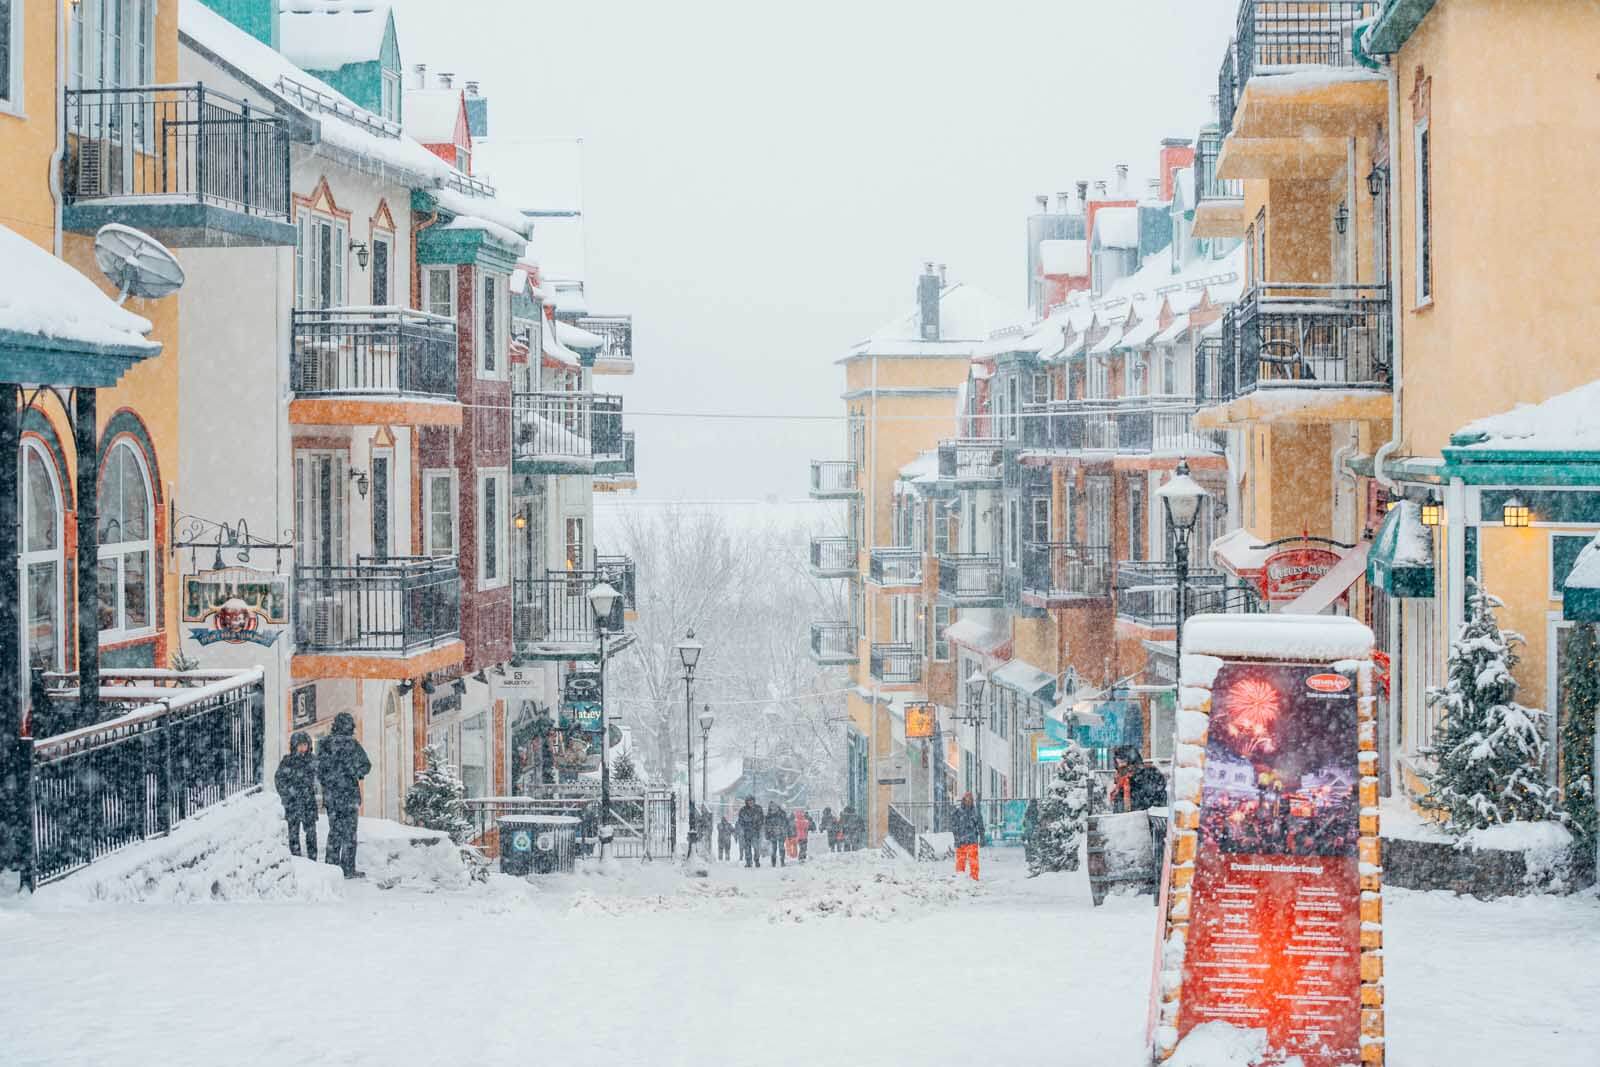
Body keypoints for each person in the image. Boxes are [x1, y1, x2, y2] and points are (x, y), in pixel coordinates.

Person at [318, 711, 371, 879]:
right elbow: (366, 766)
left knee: (334, 832)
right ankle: (348, 868)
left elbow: (319, 770)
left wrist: (331, 780)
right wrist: (354, 772)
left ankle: (332, 867)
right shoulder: (352, 745)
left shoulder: (325, 744)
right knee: (349, 833)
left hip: (333, 797)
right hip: (349, 796)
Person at [274, 731, 318, 861]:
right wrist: (287, 794)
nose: (303, 748)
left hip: (308, 801)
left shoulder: (312, 760)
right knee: (293, 832)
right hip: (293, 802)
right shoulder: (287, 761)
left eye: (305, 744)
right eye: (300, 745)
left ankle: (312, 859)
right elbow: (279, 780)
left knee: (311, 833)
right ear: (294, 746)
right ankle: (297, 859)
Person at [1110, 747, 1168, 813]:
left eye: (1125, 766)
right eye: (1119, 767)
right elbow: (1119, 809)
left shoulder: (1150, 775)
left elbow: (1155, 805)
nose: (1122, 771)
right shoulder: (1121, 784)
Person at [951, 792, 984, 882]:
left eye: (970, 800)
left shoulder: (975, 812)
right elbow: (954, 827)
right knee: (960, 861)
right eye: (967, 799)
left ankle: (974, 878)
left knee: (973, 861)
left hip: (971, 840)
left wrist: (982, 838)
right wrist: (956, 839)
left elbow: (980, 826)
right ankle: (960, 877)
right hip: (961, 841)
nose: (968, 801)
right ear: (963, 800)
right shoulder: (958, 812)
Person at [735, 795, 764, 868]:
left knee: (756, 847)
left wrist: (758, 826)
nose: (750, 802)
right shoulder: (743, 810)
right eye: (749, 801)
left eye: (752, 800)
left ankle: (757, 860)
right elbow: (740, 820)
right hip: (746, 832)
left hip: (755, 831)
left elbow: (762, 819)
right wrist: (744, 826)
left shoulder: (758, 808)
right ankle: (748, 862)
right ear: (746, 802)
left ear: (754, 801)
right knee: (747, 848)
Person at [764, 801, 793, 868]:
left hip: (781, 834)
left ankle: (782, 861)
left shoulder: (782, 814)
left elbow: (787, 824)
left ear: (777, 806)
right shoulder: (769, 816)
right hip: (773, 834)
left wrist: (789, 834)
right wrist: (767, 834)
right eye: (772, 806)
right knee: (774, 849)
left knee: (781, 848)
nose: (773, 808)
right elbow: (766, 826)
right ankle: (773, 863)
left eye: (774, 806)